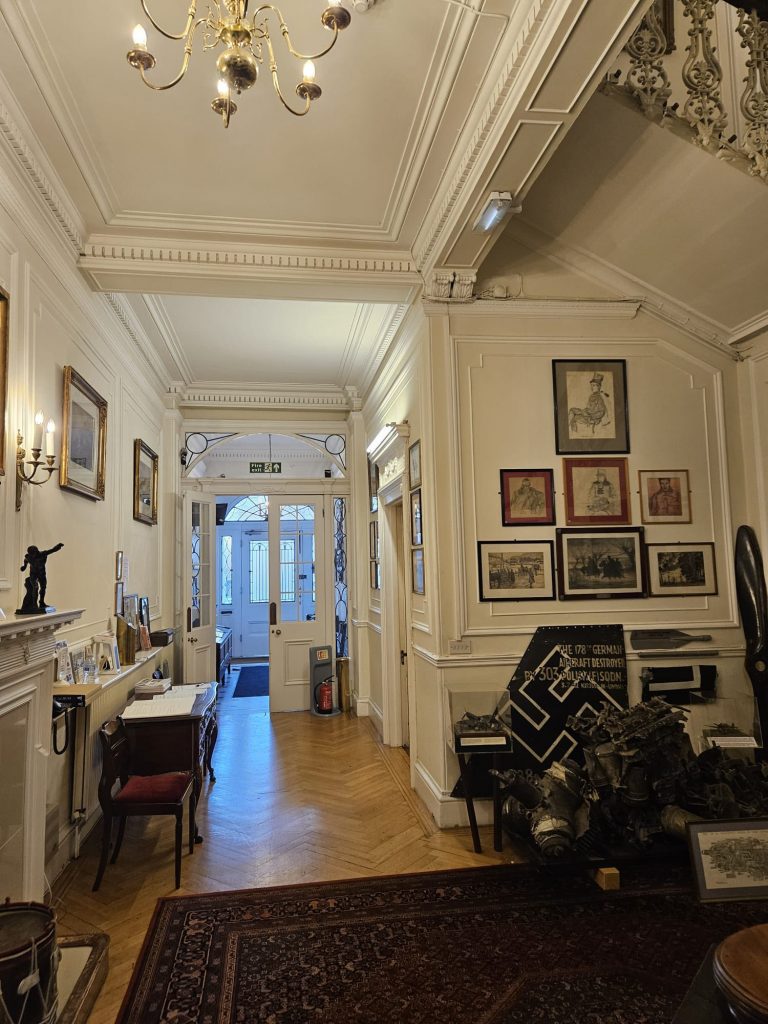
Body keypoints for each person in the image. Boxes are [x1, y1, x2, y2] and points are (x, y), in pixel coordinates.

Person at [19, 542, 64, 613]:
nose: (33, 556)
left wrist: (58, 546)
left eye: (33, 554)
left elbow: (52, 550)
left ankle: (41, 602)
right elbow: (26, 561)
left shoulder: (43, 554)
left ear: (36, 552)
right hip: (33, 574)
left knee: (43, 587)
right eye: (31, 554)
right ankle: (34, 604)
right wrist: (24, 567)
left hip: (42, 573)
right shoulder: (28, 557)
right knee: (35, 587)